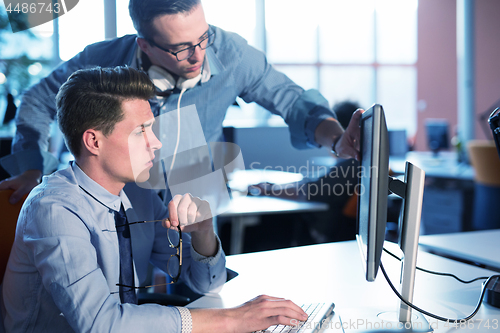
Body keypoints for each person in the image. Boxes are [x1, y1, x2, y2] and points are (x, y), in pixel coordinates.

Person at [0, 66, 307, 332]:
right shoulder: (53, 210)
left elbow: (206, 284)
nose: (156, 143)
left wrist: (202, 235)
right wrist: (230, 321)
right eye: (140, 132)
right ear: (93, 141)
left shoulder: (137, 195)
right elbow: (102, 325)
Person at [0, 0, 362, 205]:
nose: (198, 55)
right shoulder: (103, 62)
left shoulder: (232, 54)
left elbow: (293, 101)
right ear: (145, 46)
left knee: (205, 292)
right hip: (112, 201)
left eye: (203, 38)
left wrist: (335, 139)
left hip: (197, 199)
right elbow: (37, 100)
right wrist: (33, 165)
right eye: (180, 48)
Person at [248, 101, 362, 244]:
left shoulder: (351, 164)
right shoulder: (354, 163)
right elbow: (311, 182)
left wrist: (269, 189)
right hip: (332, 230)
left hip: (320, 234)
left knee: (266, 225)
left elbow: (306, 190)